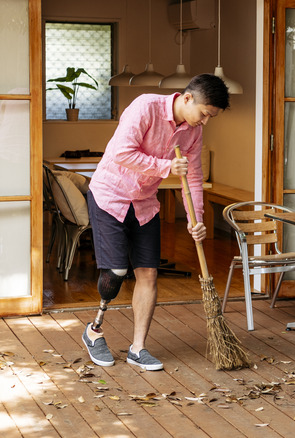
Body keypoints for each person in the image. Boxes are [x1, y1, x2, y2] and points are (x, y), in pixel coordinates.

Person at [81, 74, 230, 371]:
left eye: (211, 117)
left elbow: (194, 178)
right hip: (110, 196)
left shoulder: (192, 132)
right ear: (187, 98)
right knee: (117, 271)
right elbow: (121, 152)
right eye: (204, 113)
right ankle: (94, 330)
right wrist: (166, 167)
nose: (205, 121)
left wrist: (195, 219)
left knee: (149, 274)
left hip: (145, 204)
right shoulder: (145, 107)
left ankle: (138, 347)